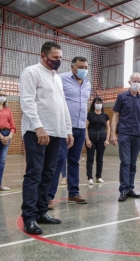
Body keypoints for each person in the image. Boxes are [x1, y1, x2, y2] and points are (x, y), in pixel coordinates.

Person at [20, 41, 74, 234]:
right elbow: (27, 102)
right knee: (34, 174)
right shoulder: (31, 72)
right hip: (38, 132)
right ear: (43, 56)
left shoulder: (57, 77)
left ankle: (42, 211)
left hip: (57, 132)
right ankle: (29, 217)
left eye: (60, 57)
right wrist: (38, 127)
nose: (58, 61)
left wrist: (67, 130)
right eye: (55, 58)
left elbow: (62, 106)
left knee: (48, 174)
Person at [47, 56, 91, 209]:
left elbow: (84, 104)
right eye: (81, 67)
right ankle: (48, 197)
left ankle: (73, 193)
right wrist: (64, 127)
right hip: (64, 127)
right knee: (59, 161)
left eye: (86, 67)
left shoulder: (87, 84)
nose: (84, 70)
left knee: (74, 161)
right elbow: (55, 101)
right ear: (72, 67)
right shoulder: (61, 79)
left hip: (80, 127)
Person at [110, 72, 140, 202]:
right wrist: (112, 133)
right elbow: (115, 115)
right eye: (135, 81)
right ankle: (123, 190)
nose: (137, 83)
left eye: (139, 81)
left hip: (137, 135)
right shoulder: (121, 97)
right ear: (129, 82)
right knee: (125, 162)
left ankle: (131, 188)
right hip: (124, 134)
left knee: (133, 163)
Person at [85, 97, 110, 184]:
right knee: (90, 158)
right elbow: (85, 127)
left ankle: (98, 176)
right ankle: (90, 177)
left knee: (100, 158)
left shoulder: (105, 115)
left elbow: (108, 128)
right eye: (97, 102)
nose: (98, 104)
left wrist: (107, 139)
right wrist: (87, 139)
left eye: (100, 102)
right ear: (94, 104)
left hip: (102, 138)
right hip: (91, 137)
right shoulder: (90, 114)